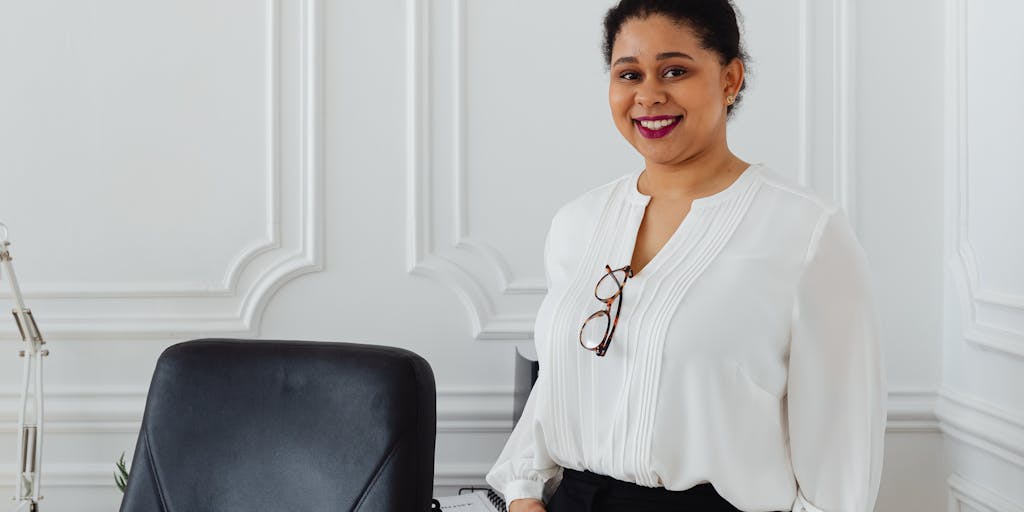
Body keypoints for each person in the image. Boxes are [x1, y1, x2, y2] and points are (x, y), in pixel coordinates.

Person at [485, 0, 888, 511]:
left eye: (674, 70)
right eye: (628, 73)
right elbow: (554, 396)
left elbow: (841, 457)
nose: (649, 95)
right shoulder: (576, 224)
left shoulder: (806, 233)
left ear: (729, 78)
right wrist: (524, 498)